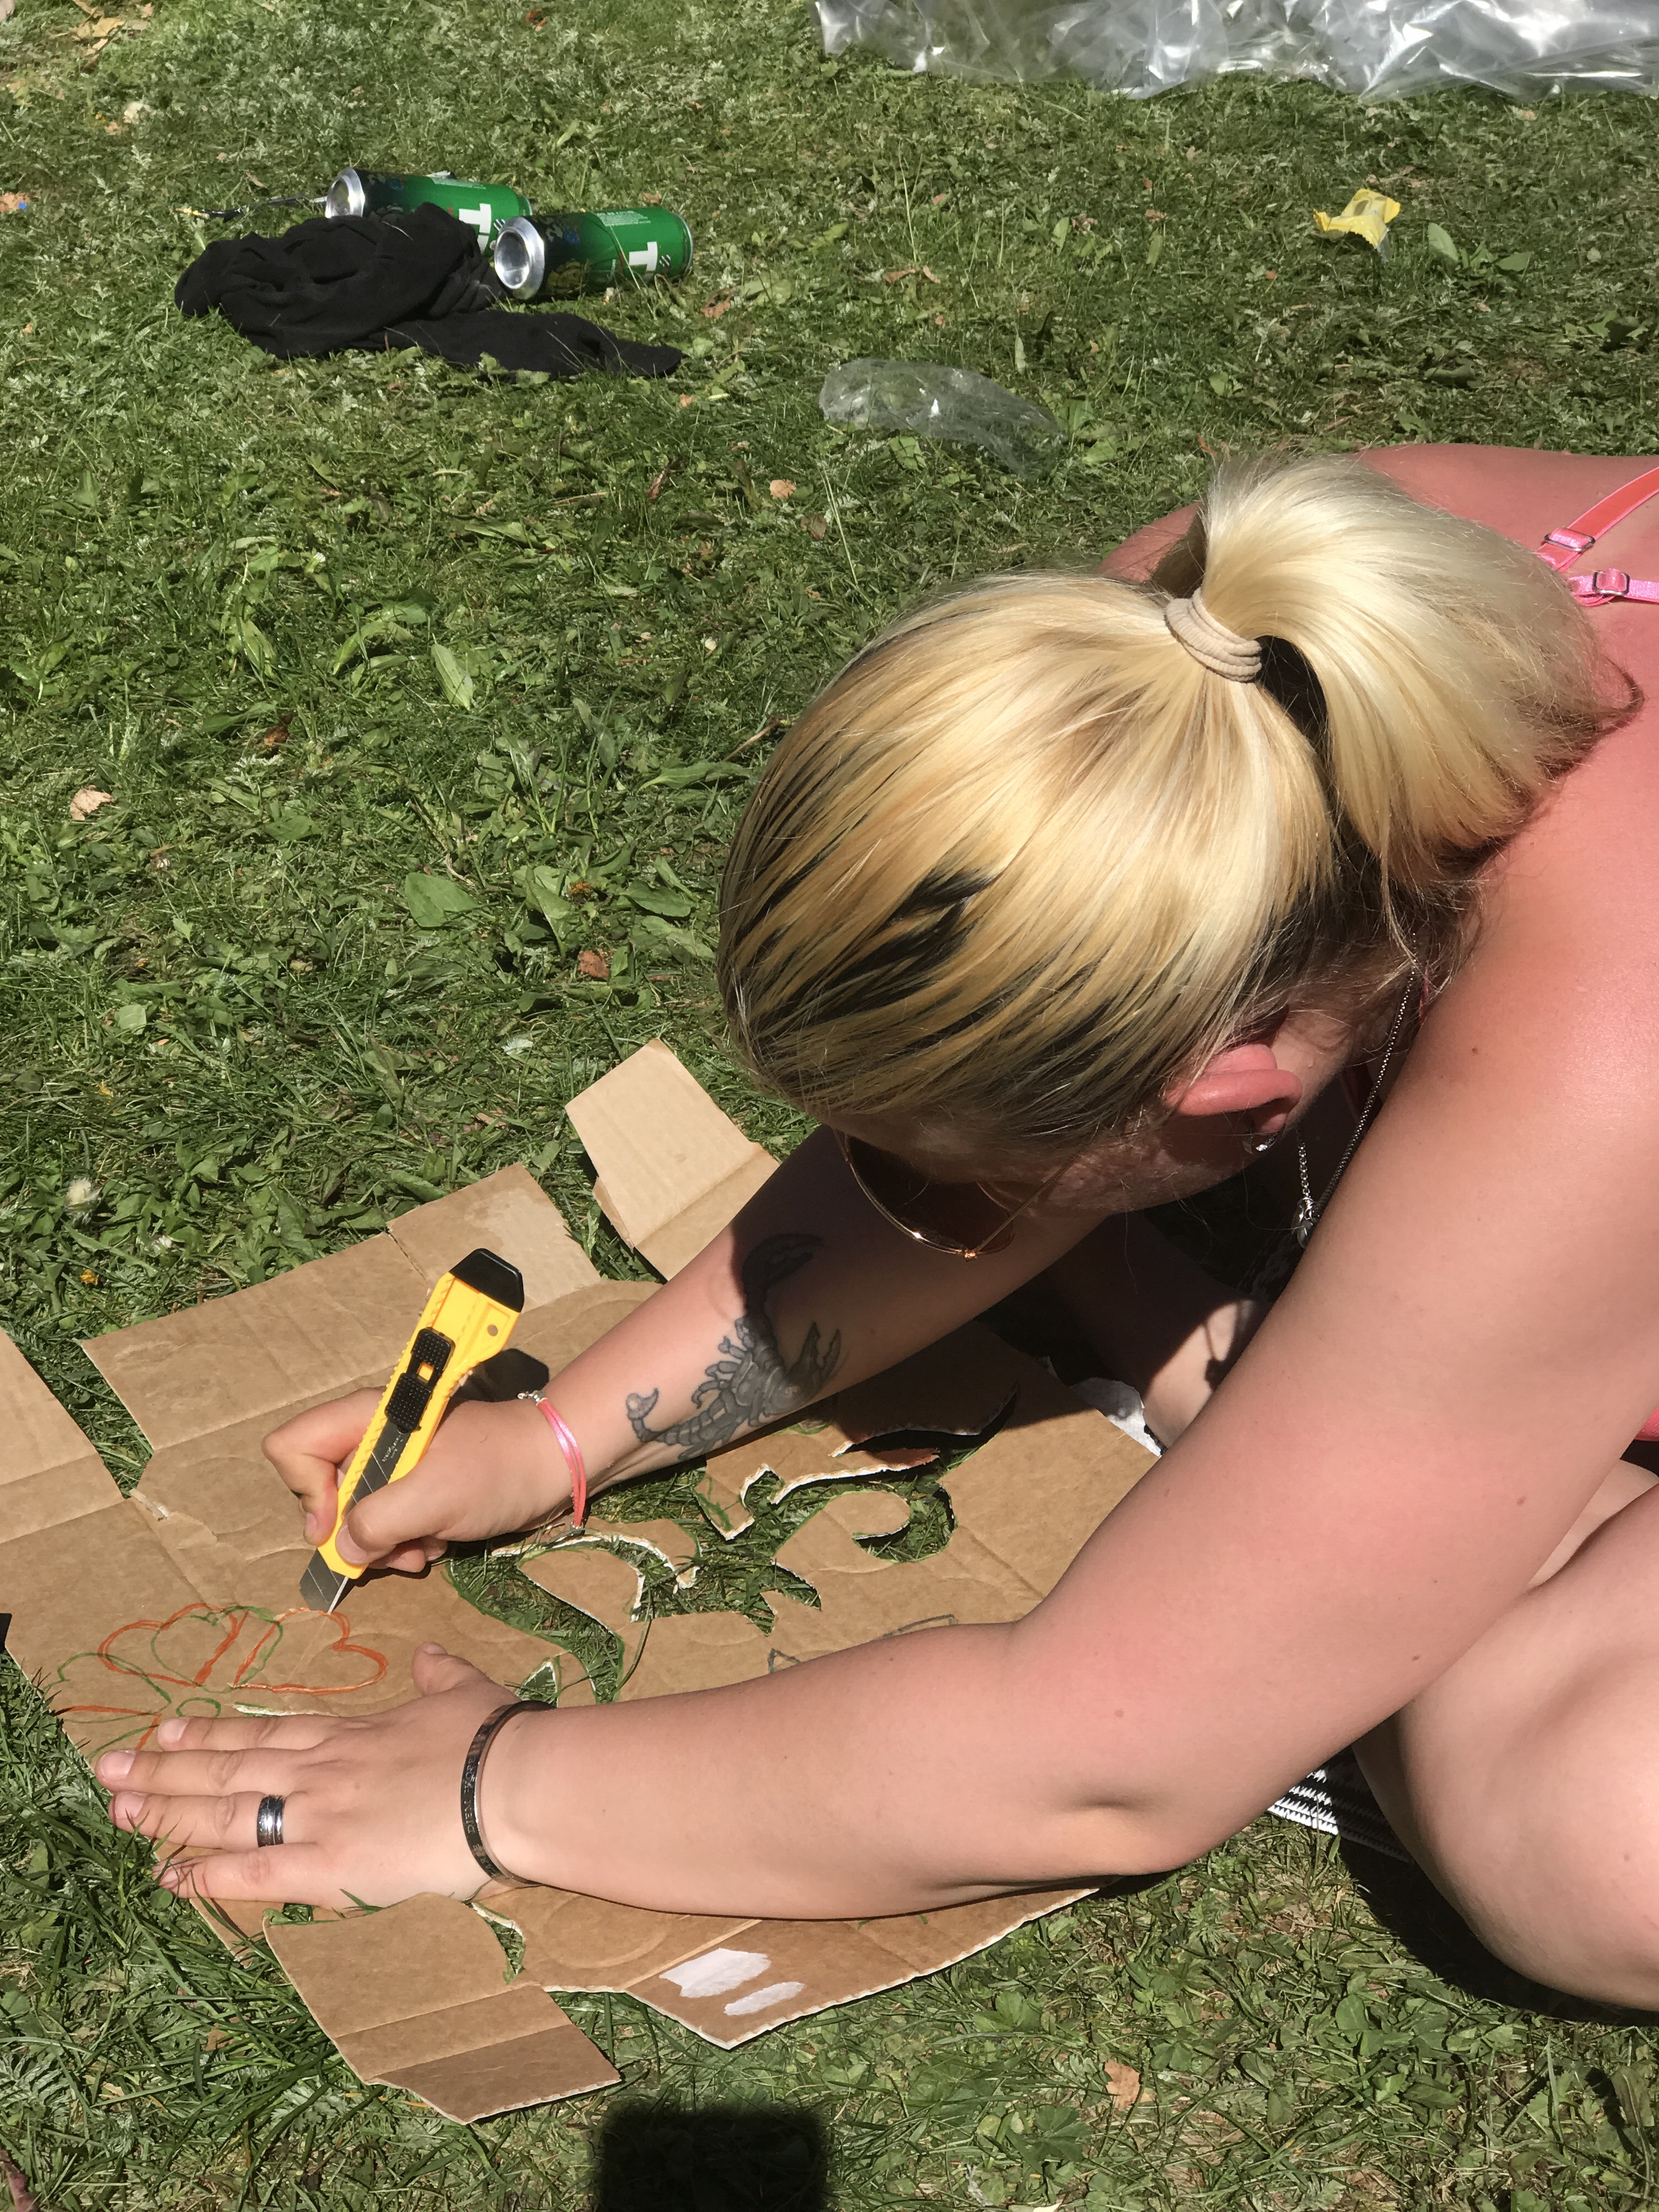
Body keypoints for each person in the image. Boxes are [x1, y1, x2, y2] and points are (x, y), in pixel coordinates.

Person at [95, 445, 1659, 2008]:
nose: (928, 1202)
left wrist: (493, 1789)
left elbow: (1113, 1760)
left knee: (1591, 1835)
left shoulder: (1602, 1041)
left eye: (996, 1184)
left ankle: (1311, 1417)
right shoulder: (1203, 640)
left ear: (1236, 1095)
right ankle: (1347, 1426)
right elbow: (997, 1093)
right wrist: (557, 1439)